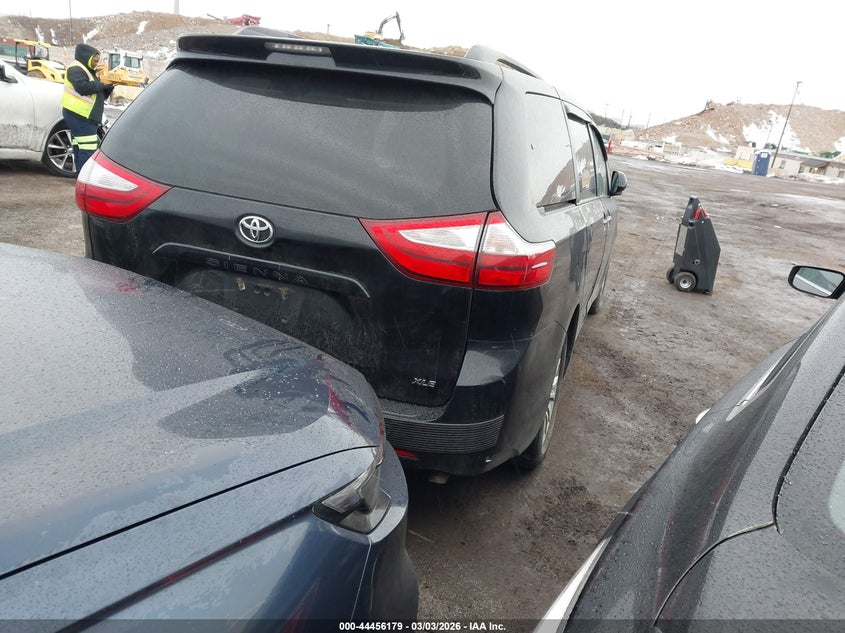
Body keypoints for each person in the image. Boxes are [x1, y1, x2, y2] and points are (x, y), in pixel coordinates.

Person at [62, 43, 114, 172]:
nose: (96, 63)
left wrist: (106, 90)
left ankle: (80, 176)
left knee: (81, 147)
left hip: (85, 116)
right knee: (88, 149)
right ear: (87, 57)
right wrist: (101, 87)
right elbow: (83, 88)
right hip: (80, 115)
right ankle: (85, 179)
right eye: (95, 60)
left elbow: (94, 93)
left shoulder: (88, 71)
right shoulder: (75, 69)